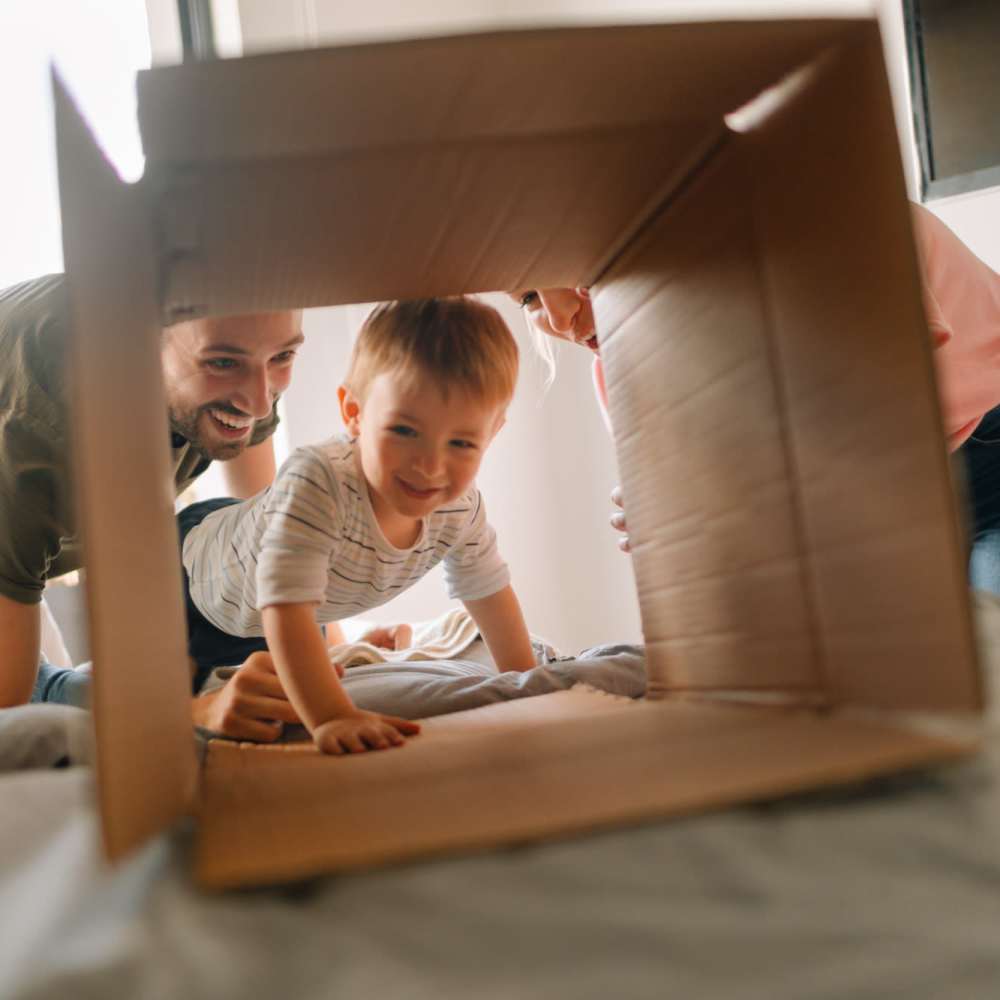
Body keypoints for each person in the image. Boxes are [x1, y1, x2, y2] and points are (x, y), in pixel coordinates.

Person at [515, 202, 1000, 582]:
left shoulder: (818, 217)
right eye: (528, 298)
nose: (559, 318)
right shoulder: (621, 375)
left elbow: (877, 406)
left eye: (576, 270)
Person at [179, 297, 536, 755]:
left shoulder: (459, 509)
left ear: (493, 432)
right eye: (404, 431)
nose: (430, 466)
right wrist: (333, 716)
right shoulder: (319, 483)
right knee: (152, 704)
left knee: (274, 664)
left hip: (266, 607)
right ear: (354, 412)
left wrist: (527, 682)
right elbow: (285, 611)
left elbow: (489, 591)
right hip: (190, 580)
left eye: (462, 442)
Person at [0, 272, 308, 739]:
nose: (261, 402)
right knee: (43, 716)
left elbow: (268, 538)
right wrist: (192, 715)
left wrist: (327, 642)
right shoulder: (46, 428)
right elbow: (15, 730)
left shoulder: (245, 341)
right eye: (223, 362)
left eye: (283, 355)